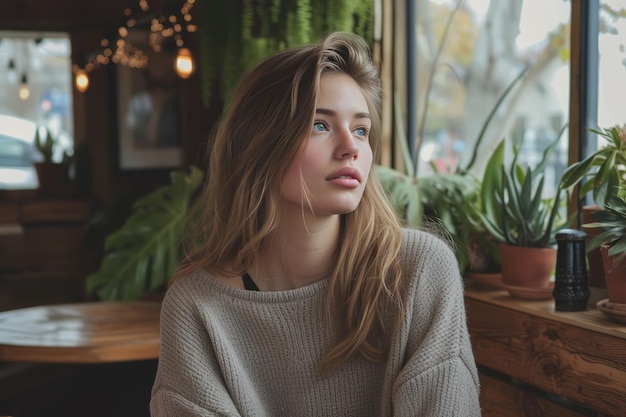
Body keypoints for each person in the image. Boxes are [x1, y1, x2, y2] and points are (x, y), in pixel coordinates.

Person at [150, 31, 481, 417]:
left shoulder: (418, 271)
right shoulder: (197, 308)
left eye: (361, 129)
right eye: (320, 125)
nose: (351, 147)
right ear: (260, 146)